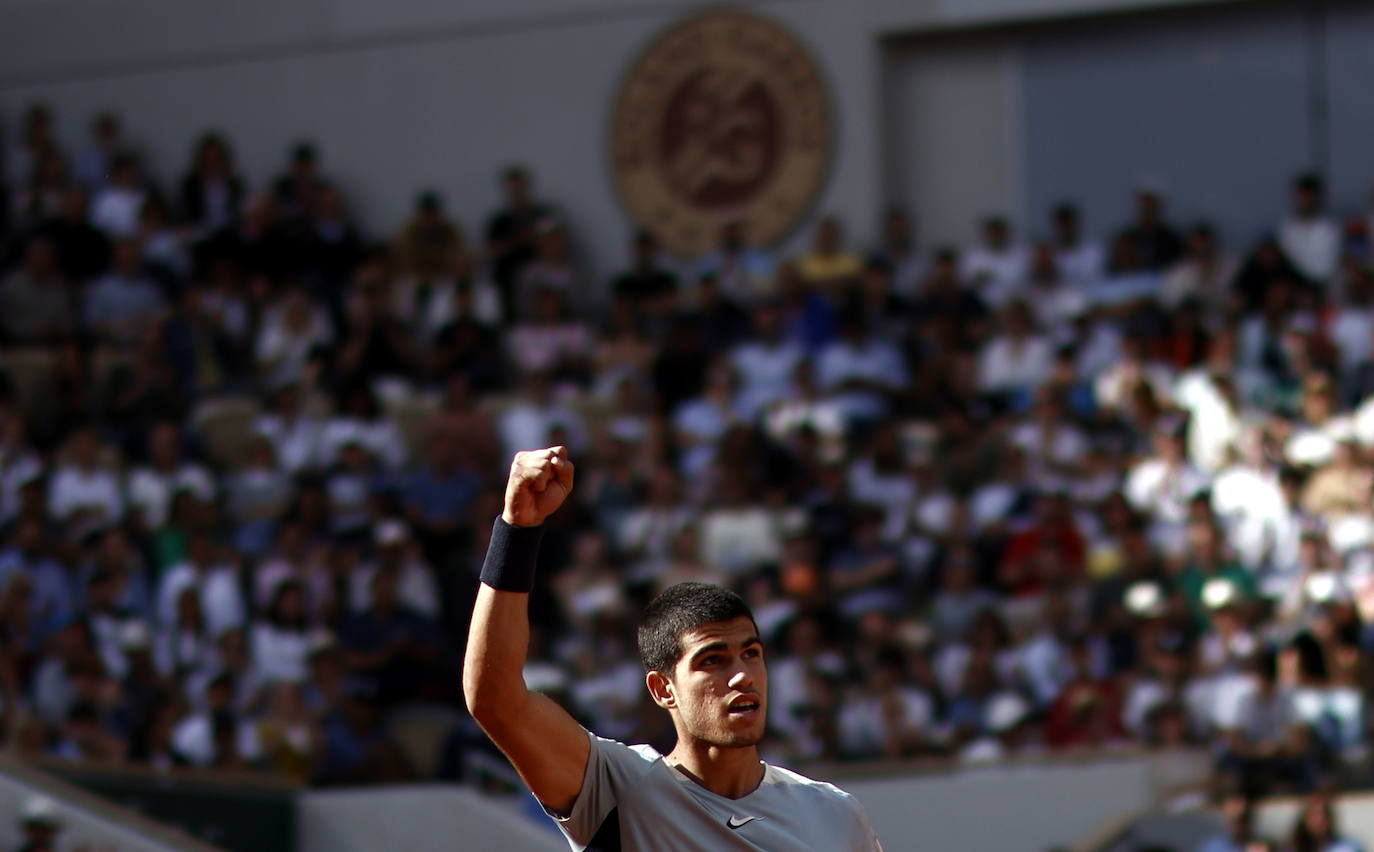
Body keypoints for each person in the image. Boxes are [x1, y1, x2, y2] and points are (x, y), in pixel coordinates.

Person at [464, 447, 883, 850]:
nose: (742, 675)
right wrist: (516, 530)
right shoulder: (617, 787)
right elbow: (494, 699)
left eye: (751, 653)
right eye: (712, 660)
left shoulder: (834, 813)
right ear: (663, 689)